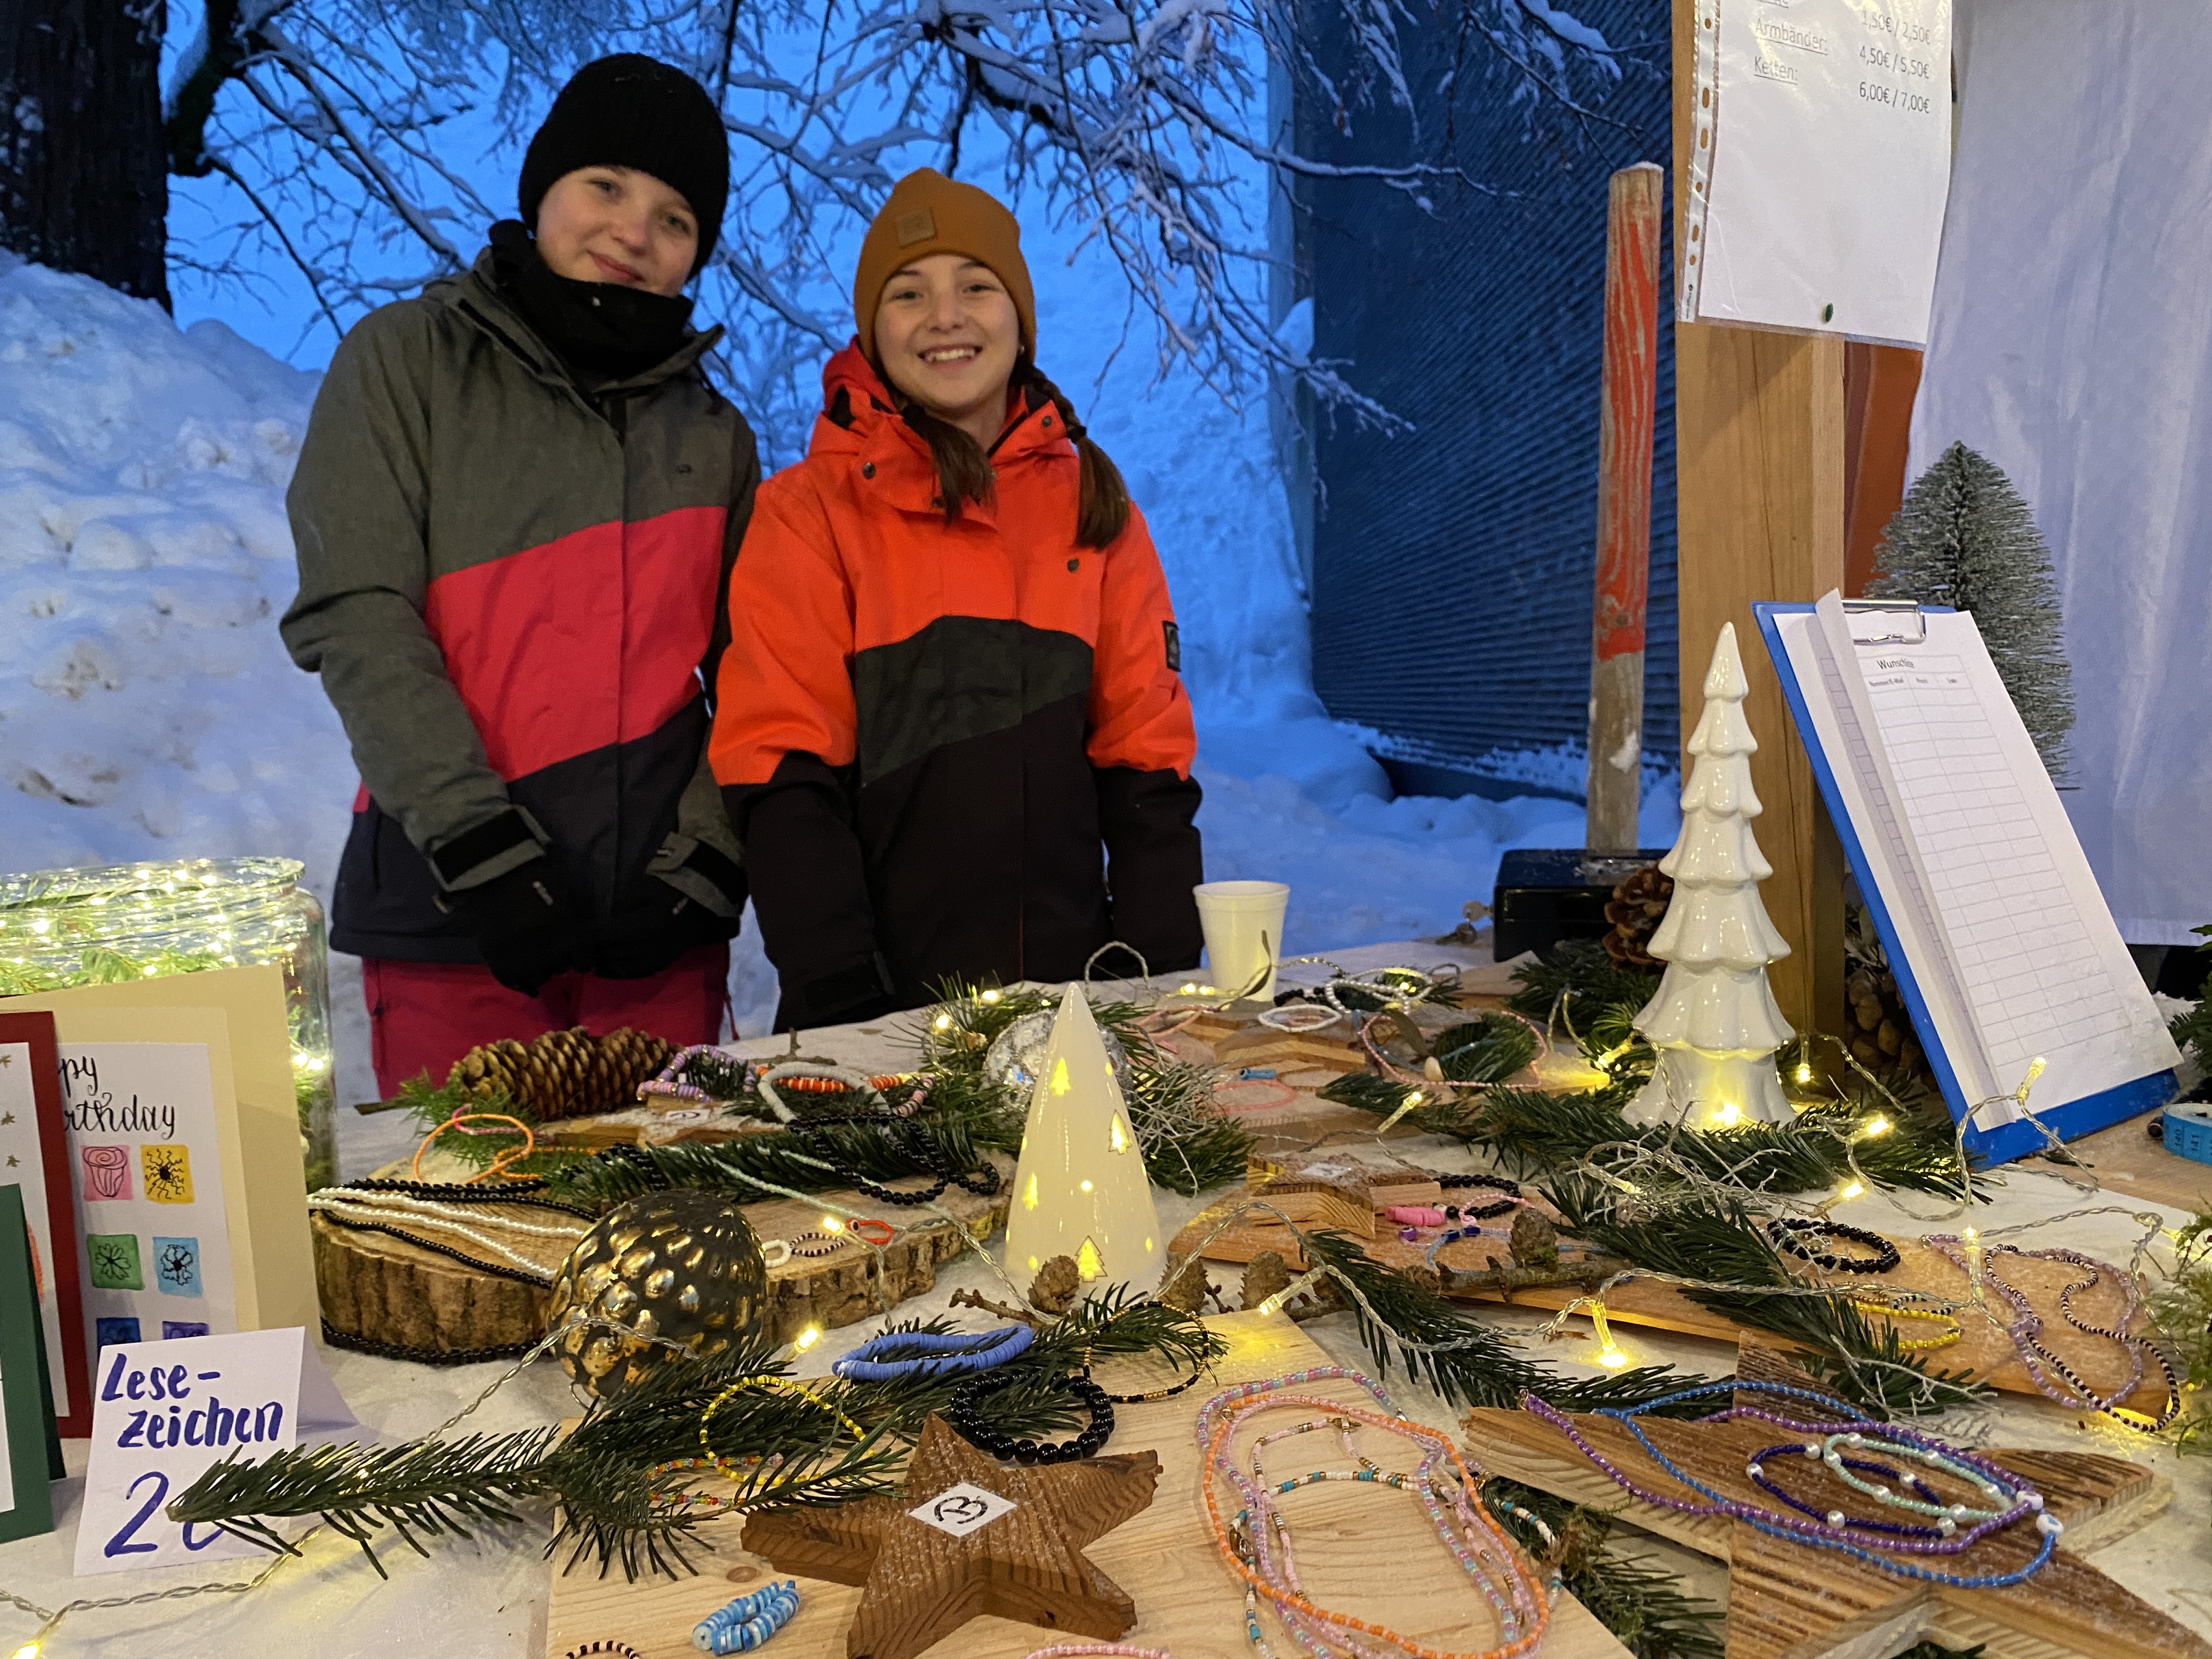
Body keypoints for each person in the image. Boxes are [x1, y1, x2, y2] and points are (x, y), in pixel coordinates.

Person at [281, 55, 756, 1097]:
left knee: (680, 1195)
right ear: (542, 189)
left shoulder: (714, 436)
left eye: (675, 219)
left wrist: (707, 859)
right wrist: (479, 847)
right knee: (470, 1197)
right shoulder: (406, 362)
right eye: (606, 187)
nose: (633, 232)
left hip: (656, 940)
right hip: (454, 916)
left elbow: (760, 672)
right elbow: (358, 613)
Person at [709, 169, 1204, 1029]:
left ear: (1020, 320)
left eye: (977, 286)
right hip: (871, 1017)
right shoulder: (806, 514)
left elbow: (1147, 761)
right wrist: (843, 1001)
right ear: (872, 331)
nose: (946, 316)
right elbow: (781, 771)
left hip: (1074, 1016)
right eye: (908, 294)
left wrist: (1151, 986)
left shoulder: (1097, 508)